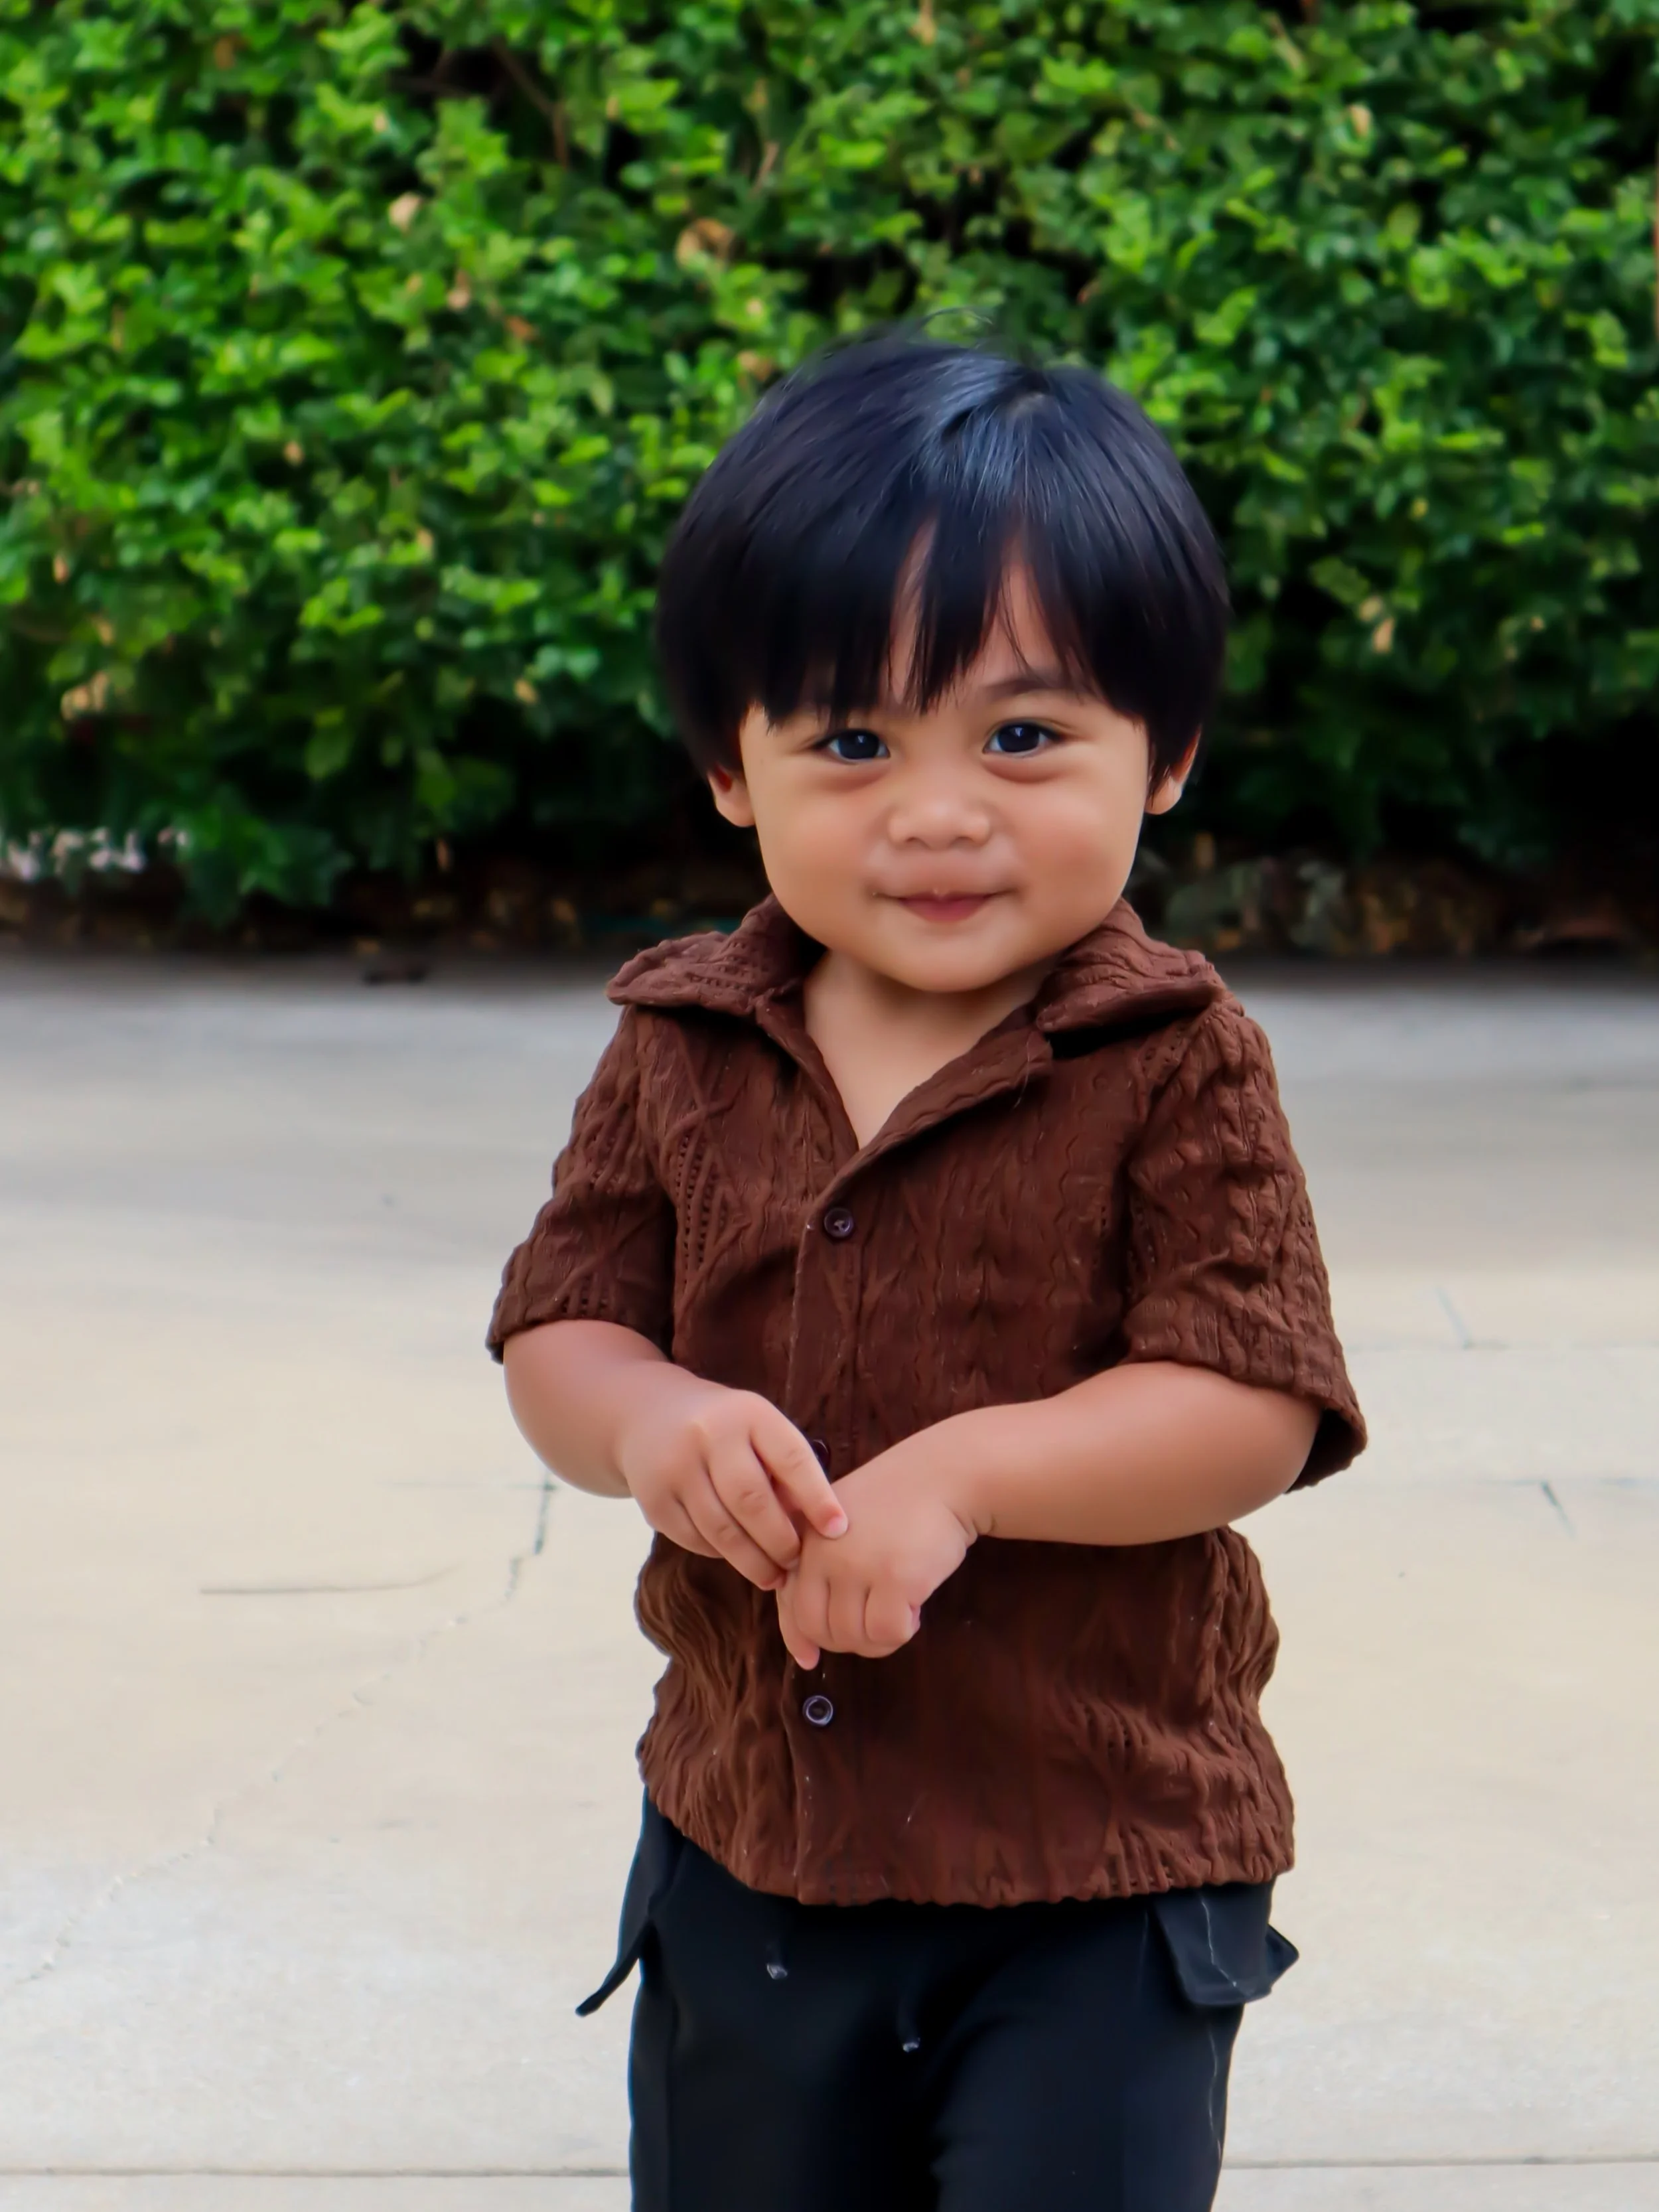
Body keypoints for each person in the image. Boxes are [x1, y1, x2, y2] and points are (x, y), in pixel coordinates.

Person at [488, 332, 1366, 2212]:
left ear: (1171, 752)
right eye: (854, 741)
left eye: (1024, 736)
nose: (939, 809)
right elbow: (563, 1326)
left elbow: (1247, 1401)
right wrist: (652, 1420)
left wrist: (967, 1472)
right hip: (749, 1843)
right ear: (733, 766)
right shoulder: (681, 1043)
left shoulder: (1174, 1057)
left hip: (1095, 1868)